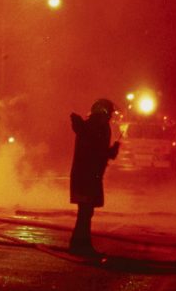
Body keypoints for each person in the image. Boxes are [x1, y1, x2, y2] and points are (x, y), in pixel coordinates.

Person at [68, 98, 120, 256]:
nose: (111, 116)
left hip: (82, 175)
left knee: (84, 211)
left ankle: (78, 244)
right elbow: (98, 151)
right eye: (109, 112)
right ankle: (81, 245)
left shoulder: (88, 125)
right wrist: (112, 152)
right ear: (104, 112)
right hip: (90, 175)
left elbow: (93, 149)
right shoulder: (100, 126)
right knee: (86, 212)